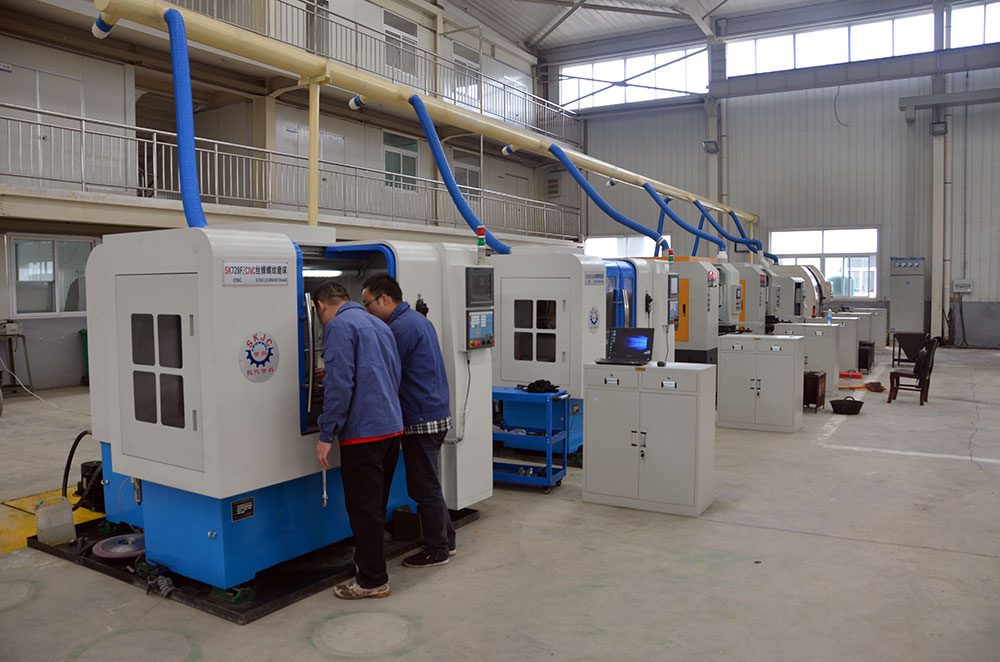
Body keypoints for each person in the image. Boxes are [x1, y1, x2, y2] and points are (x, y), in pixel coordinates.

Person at [313, 281, 403, 599]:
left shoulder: (338, 327)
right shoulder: (378, 324)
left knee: (363, 510)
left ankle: (372, 580)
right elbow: (386, 373)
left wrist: (327, 433)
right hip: (390, 428)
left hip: (363, 434)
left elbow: (340, 386)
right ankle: (368, 564)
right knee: (374, 507)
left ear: (320, 306)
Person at [362, 275, 456, 568]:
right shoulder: (417, 321)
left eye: (367, 304)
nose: (366, 311)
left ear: (384, 298)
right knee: (430, 484)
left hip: (420, 417)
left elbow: (381, 369)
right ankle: (447, 541)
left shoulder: (400, 328)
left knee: (424, 487)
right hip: (433, 412)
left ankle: (437, 550)